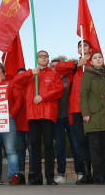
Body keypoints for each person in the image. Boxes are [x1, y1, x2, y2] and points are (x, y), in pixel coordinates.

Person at [14, 51, 64, 185]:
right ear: (37, 59)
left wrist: (43, 97)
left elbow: (59, 90)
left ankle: (49, 177)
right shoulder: (31, 74)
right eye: (41, 56)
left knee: (48, 145)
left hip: (48, 114)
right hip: (33, 114)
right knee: (34, 145)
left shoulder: (54, 74)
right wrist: (30, 73)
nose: (44, 58)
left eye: (46, 56)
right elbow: (15, 82)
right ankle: (35, 176)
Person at [55, 41, 93, 184]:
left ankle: (98, 173)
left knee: (94, 142)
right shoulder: (74, 65)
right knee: (80, 142)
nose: (82, 49)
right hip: (75, 109)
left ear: (90, 48)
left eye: (85, 46)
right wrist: (76, 64)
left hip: (91, 108)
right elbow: (58, 67)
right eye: (80, 46)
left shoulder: (95, 62)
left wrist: (87, 63)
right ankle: (85, 173)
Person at [80, 51, 105, 184]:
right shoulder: (87, 75)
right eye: (95, 58)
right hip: (92, 116)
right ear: (91, 62)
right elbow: (83, 95)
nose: (98, 59)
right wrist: (85, 113)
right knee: (95, 148)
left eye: (100, 57)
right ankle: (98, 176)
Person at [50, 59, 81, 184]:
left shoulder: (71, 76)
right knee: (60, 147)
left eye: (57, 66)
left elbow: (74, 63)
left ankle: (80, 172)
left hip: (70, 116)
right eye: (52, 67)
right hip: (57, 118)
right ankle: (61, 174)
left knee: (76, 145)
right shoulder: (50, 81)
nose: (55, 68)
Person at [10, 68, 31, 184]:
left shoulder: (32, 84)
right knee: (20, 150)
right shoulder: (14, 86)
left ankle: (33, 173)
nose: (22, 77)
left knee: (32, 149)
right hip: (18, 123)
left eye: (24, 75)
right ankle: (21, 174)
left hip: (31, 122)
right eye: (20, 75)